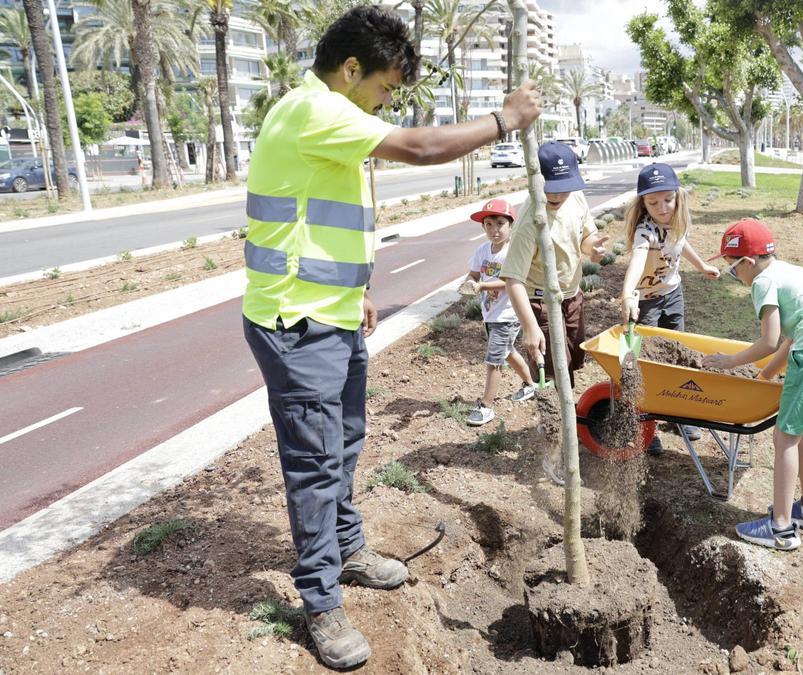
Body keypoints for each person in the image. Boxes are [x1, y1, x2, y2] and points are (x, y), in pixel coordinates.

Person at [240, 6, 539, 669]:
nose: (385, 103)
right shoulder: (314, 110)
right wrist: (504, 121)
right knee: (315, 463)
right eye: (383, 88)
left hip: (333, 312)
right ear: (351, 69)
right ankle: (321, 601)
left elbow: (313, 219)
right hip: (296, 323)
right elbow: (421, 147)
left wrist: (356, 289)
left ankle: (346, 549)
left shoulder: (325, 115)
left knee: (344, 441)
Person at [701, 219, 803, 550]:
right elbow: (790, 339)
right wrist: (764, 377)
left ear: (748, 261)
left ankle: (781, 527)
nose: (736, 276)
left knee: (784, 437)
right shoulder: (792, 272)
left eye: (733, 269)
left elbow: (769, 340)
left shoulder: (763, 281)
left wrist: (730, 361)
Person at [617, 163, 720, 454]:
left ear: (677, 197)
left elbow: (681, 243)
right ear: (643, 203)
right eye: (653, 203)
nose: (662, 208)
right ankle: (645, 424)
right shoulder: (645, 232)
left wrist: (701, 266)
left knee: (677, 353)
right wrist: (627, 295)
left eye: (668, 200)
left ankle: (679, 415)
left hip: (673, 294)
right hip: (645, 301)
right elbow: (637, 261)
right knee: (645, 361)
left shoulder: (677, 222)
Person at [501, 141, 608, 391]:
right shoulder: (530, 222)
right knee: (554, 372)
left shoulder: (576, 197)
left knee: (572, 360)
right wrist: (530, 327)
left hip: (572, 296)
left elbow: (585, 235)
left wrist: (592, 248)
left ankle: (568, 407)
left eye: (564, 189)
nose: (558, 195)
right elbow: (513, 279)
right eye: (550, 189)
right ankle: (557, 412)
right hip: (542, 302)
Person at [464, 198, 537, 427]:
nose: (494, 230)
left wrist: (483, 286)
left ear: (511, 225)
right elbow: (474, 274)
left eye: (499, 224)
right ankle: (531, 384)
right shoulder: (482, 251)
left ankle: (486, 406)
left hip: (507, 315)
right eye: (488, 224)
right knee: (507, 352)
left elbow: (511, 282)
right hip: (490, 314)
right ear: (483, 226)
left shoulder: (512, 252)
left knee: (493, 360)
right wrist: (470, 282)